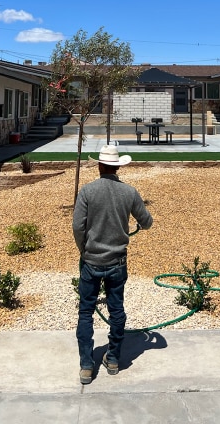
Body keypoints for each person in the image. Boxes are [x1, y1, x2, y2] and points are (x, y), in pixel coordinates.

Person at [72, 143, 153, 385]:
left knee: (86, 312)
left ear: (99, 166)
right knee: (116, 310)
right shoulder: (129, 192)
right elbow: (147, 222)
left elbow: (78, 227)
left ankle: (87, 365)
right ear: (118, 167)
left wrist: (83, 250)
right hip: (117, 262)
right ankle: (114, 358)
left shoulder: (87, 191)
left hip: (91, 260)